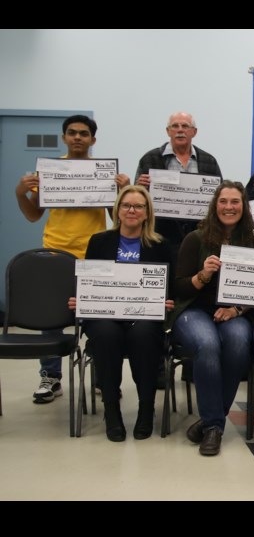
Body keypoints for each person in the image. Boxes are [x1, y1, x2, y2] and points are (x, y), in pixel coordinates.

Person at [15, 114, 131, 403]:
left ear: (93, 139)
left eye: (83, 133)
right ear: (64, 138)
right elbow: (32, 215)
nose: (77, 137)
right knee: (51, 319)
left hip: (94, 253)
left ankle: (103, 378)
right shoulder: (50, 172)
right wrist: (20, 192)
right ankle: (51, 377)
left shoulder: (104, 174)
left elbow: (117, 218)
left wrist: (121, 191)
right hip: (55, 252)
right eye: (72, 133)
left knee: (100, 318)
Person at [69, 186, 175, 441]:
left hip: (144, 316)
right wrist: (80, 299)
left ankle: (146, 408)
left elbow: (168, 287)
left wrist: (165, 302)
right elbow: (88, 281)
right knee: (105, 334)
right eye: (126, 205)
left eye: (138, 206)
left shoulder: (161, 245)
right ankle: (112, 410)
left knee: (143, 335)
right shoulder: (99, 241)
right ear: (117, 209)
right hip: (107, 315)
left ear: (147, 212)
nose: (132, 210)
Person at [171, 181, 254, 456]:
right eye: (223, 202)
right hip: (194, 311)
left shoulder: (252, 243)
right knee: (208, 345)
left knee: (239, 341)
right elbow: (179, 287)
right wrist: (203, 276)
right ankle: (214, 426)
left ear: (243, 207)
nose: (229, 207)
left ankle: (211, 421)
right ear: (215, 205)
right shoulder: (196, 239)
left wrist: (236, 309)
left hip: (232, 311)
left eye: (235, 202)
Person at [135, 112, 222, 250]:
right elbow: (137, 199)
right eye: (175, 126)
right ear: (168, 131)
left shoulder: (209, 161)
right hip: (159, 235)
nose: (180, 130)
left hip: (200, 237)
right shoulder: (150, 159)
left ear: (194, 132)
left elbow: (219, 197)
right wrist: (140, 188)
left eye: (185, 126)